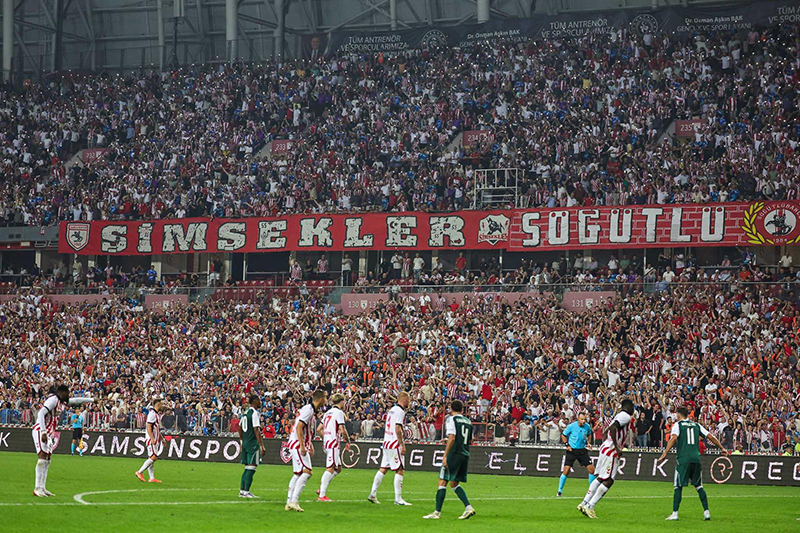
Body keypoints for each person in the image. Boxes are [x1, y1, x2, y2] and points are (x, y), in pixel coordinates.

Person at [659, 407, 728, 521]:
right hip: (696, 458)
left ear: (678, 415)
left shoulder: (678, 425)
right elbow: (710, 436)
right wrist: (722, 448)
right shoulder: (696, 425)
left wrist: (665, 452)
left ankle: (675, 513)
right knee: (699, 486)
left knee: (678, 486)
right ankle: (706, 512)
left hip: (683, 459)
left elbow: (674, 437)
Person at [32, 385, 93, 497]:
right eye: (67, 393)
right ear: (61, 392)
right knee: (42, 457)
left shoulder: (61, 402)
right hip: (40, 430)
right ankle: (37, 488)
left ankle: (42, 487)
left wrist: (91, 400)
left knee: (47, 459)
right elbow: (41, 413)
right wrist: (44, 432)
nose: (68, 395)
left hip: (49, 432)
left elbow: (76, 400)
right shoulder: (53, 400)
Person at [578, 399, 634, 519]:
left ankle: (584, 503)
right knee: (609, 480)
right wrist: (617, 447)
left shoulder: (618, 416)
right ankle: (590, 506)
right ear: (628, 407)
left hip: (605, 447)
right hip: (611, 449)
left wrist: (607, 443)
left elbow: (605, 432)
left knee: (600, 478)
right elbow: (613, 428)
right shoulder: (626, 416)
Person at [423, 400, 476, 520]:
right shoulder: (468, 421)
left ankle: (437, 512)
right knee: (454, 483)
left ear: (451, 409)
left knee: (442, 481)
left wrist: (445, 455)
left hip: (454, 453)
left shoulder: (452, 419)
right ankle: (468, 507)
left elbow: (452, 437)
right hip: (464, 454)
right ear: (462, 410)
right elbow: (470, 440)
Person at [285, 389, 328, 512]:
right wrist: (302, 445)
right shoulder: (309, 410)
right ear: (320, 399)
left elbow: (305, 429)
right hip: (298, 444)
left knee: (298, 473)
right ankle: (294, 500)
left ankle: (289, 501)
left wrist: (309, 444)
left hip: (296, 443)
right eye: (325, 398)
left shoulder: (309, 410)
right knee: (307, 472)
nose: (326, 401)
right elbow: (299, 426)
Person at [368, 391, 412, 506]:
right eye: (408, 400)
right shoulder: (400, 411)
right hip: (394, 443)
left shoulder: (392, 410)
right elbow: (397, 428)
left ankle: (372, 494)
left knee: (383, 468)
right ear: (404, 400)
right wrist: (402, 444)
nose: (409, 402)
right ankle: (398, 499)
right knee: (400, 470)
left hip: (386, 442)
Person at [317, 393, 350, 502]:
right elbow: (342, 429)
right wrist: (348, 441)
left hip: (327, 443)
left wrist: (325, 438)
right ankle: (322, 495)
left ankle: (322, 486)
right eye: (344, 401)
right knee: (330, 468)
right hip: (333, 443)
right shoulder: (339, 412)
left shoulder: (327, 413)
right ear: (341, 402)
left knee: (338, 468)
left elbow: (318, 429)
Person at [558, 412, 596, 497]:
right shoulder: (571, 426)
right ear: (578, 419)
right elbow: (563, 435)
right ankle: (559, 490)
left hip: (582, 450)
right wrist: (567, 445)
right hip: (572, 450)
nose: (583, 421)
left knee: (592, 470)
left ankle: (591, 490)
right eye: (582, 419)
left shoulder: (587, 426)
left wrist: (588, 442)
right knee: (566, 471)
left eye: (584, 419)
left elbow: (589, 434)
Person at [238, 395, 266, 499]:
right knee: (252, 467)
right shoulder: (254, 413)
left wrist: (241, 441)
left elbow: (240, 428)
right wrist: (261, 445)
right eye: (259, 400)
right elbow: (256, 429)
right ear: (255, 401)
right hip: (252, 443)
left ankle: (242, 491)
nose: (260, 402)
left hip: (245, 442)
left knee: (247, 467)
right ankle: (246, 491)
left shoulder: (245, 412)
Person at [135, 398, 166, 483]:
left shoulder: (156, 414)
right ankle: (139, 472)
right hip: (151, 439)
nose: (162, 405)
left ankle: (151, 478)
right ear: (158, 405)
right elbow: (149, 426)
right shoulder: (152, 414)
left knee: (151, 458)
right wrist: (152, 438)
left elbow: (156, 429)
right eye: (161, 404)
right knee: (154, 457)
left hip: (154, 439)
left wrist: (162, 439)